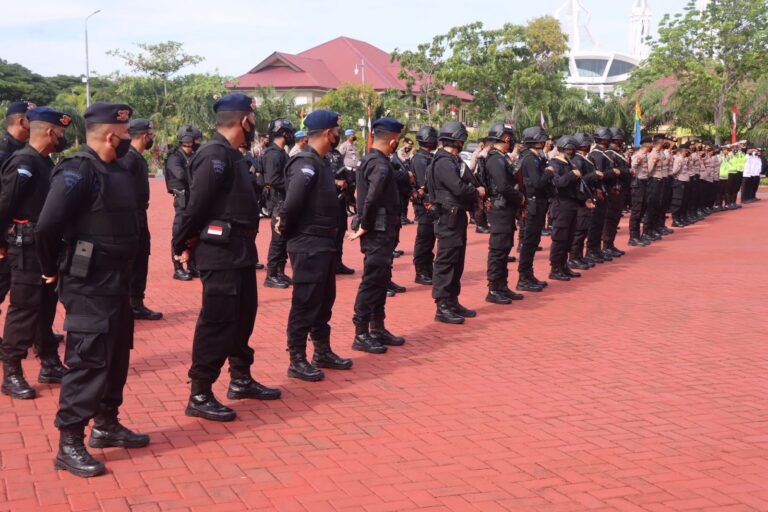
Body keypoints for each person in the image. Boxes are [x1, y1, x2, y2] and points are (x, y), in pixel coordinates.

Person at [36, 102, 150, 478]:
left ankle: (106, 424)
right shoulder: (77, 170)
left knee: (116, 355)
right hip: (88, 282)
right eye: (123, 133)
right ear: (110, 135)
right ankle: (69, 443)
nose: (126, 139)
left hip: (117, 280)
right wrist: (51, 270)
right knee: (88, 360)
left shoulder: (117, 169)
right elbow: (46, 228)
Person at [173, 93, 280, 423]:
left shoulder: (232, 155)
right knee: (217, 321)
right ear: (244, 120)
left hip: (241, 250)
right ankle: (200, 392)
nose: (254, 125)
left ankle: (241, 378)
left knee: (243, 316)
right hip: (220, 252)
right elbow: (196, 206)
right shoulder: (214, 154)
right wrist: (181, 245)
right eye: (252, 119)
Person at [277, 110, 353, 381]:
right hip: (308, 243)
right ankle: (297, 358)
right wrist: (284, 223)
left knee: (323, 300)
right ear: (325, 132)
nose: (337, 134)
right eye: (335, 130)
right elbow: (294, 200)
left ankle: (322, 351)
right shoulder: (305, 163)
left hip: (323, 243)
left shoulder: (320, 162)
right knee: (305, 302)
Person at [0, 107, 69, 400]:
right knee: (24, 308)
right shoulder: (24, 162)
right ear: (50, 132)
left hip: (44, 244)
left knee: (46, 305)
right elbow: (4, 205)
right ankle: (11, 371)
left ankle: (50, 362)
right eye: (62, 133)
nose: (64, 138)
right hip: (25, 245)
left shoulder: (44, 161)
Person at [348, 117, 407, 352]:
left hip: (381, 230)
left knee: (381, 279)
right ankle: (361, 332)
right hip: (378, 232)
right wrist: (365, 224)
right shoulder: (380, 165)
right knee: (372, 281)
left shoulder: (371, 160)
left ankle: (377, 327)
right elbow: (371, 198)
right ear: (393, 141)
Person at [429, 121, 484, 324]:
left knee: (457, 259)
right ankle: (442, 305)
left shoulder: (453, 159)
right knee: (446, 261)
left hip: (456, 215)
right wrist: (476, 192)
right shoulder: (443, 161)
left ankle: (452, 300)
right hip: (447, 216)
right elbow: (458, 188)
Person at [119, 119, 162, 321]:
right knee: (133, 261)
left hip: (138, 213)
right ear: (144, 136)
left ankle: (135, 302)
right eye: (150, 135)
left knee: (140, 258)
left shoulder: (134, 157)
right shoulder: (129, 159)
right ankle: (130, 304)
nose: (151, 139)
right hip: (131, 215)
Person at [0, 101, 35, 337]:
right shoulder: (3, 151)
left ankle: (35, 333)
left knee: (23, 287)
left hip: (20, 234)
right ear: (22, 121)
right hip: (5, 231)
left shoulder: (26, 150)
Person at [483, 122, 525, 304]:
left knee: (505, 248)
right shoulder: (495, 158)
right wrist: (520, 198)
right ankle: (494, 288)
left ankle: (502, 285)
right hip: (500, 208)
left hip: (506, 208)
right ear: (506, 138)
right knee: (498, 249)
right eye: (510, 138)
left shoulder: (502, 157)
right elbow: (503, 186)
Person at [516, 127, 552, 292]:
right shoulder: (530, 159)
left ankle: (528, 274)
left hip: (538, 203)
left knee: (533, 241)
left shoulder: (535, 157)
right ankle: (524, 277)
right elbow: (537, 183)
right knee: (529, 242)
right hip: (533, 203)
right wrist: (548, 172)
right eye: (541, 140)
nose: (544, 143)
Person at [263, 118, 296, 289]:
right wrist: (292, 186)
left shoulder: (281, 152)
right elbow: (273, 179)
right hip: (277, 201)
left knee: (283, 239)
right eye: (290, 132)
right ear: (284, 133)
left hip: (283, 199)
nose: (292, 136)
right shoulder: (273, 154)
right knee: (277, 240)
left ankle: (280, 272)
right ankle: (271, 275)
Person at [165, 125, 201, 281]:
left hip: (193, 199)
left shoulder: (194, 155)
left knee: (193, 233)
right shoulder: (175, 157)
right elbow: (180, 175)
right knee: (179, 233)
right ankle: (178, 267)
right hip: (182, 199)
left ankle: (192, 265)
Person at [549, 135, 587, 281]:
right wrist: (572, 175)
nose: (570, 151)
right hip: (561, 204)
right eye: (567, 149)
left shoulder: (570, 163)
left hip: (572, 203)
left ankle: (563, 265)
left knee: (569, 237)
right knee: (560, 238)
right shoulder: (555, 163)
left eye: (572, 149)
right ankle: (555, 267)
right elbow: (558, 182)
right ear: (561, 148)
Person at [569, 133, 601, 268]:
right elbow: (580, 179)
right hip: (581, 198)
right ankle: (574, 257)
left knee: (584, 229)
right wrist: (593, 175)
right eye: (587, 144)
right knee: (579, 229)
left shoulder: (584, 158)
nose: (589, 146)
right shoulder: (577, 160)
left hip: (587, 196)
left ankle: (579, 256)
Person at [411, 126, 438, 285]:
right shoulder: (420, 159)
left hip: (430, 204)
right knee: (424, 239)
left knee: (429, 239)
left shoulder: (428, 157)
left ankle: (428, 269)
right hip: (424, 205)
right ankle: (421, 271)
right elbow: (424, 184)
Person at [326, 142, 355, 275]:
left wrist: (350, 197)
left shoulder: (337, 153)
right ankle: (328, 265)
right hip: (327, 200)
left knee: (341, 229)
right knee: (329, 232)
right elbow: (319, 175)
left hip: (341, 198)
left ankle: (337, 263)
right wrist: (335, 182)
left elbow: (342, 172)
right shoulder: (320, 153)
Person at [585, 128, 614, 262]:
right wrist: (613, 172)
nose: (609, 141)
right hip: (599, 191)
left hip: (604, 190)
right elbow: (598, 175)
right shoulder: (597, 154)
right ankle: (591, 250)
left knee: (600, 222)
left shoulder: (603, 153)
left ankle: (596, 249)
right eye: (608, 139)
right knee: (595, 223)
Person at [602, 128, 630, 257]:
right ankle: (606, 245)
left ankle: (610, 244)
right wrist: (627, 171)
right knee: (610, 218)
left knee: (615, 218)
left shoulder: (617, 153)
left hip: (621, 188)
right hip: (613, 189)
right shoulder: (609, 153)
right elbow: (613, 171)